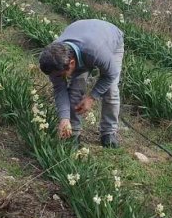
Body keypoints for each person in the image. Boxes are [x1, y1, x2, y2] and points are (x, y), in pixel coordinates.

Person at [38, 19, 124, 148]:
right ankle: (74, 134)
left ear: (71, 64)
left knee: (110, 90)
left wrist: (92, 97)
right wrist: (64, 118)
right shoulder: (53, 59)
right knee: (75, 90)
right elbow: (59, 90)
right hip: (81, 36)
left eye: (61, 75)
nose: (57, 78)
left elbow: (111, 74)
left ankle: (108, 132)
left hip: (109, 39)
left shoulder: (96, 51)